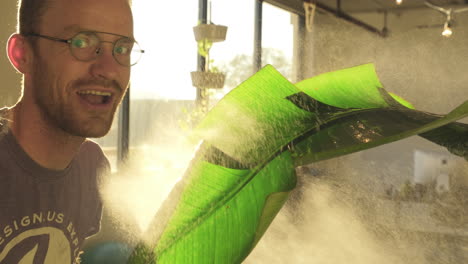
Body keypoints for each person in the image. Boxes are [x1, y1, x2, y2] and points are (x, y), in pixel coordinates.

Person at [0, 0, 142, 263]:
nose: (109, 69)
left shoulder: (91, 165)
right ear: (22, 54)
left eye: (122, 48)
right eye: (81, 42)